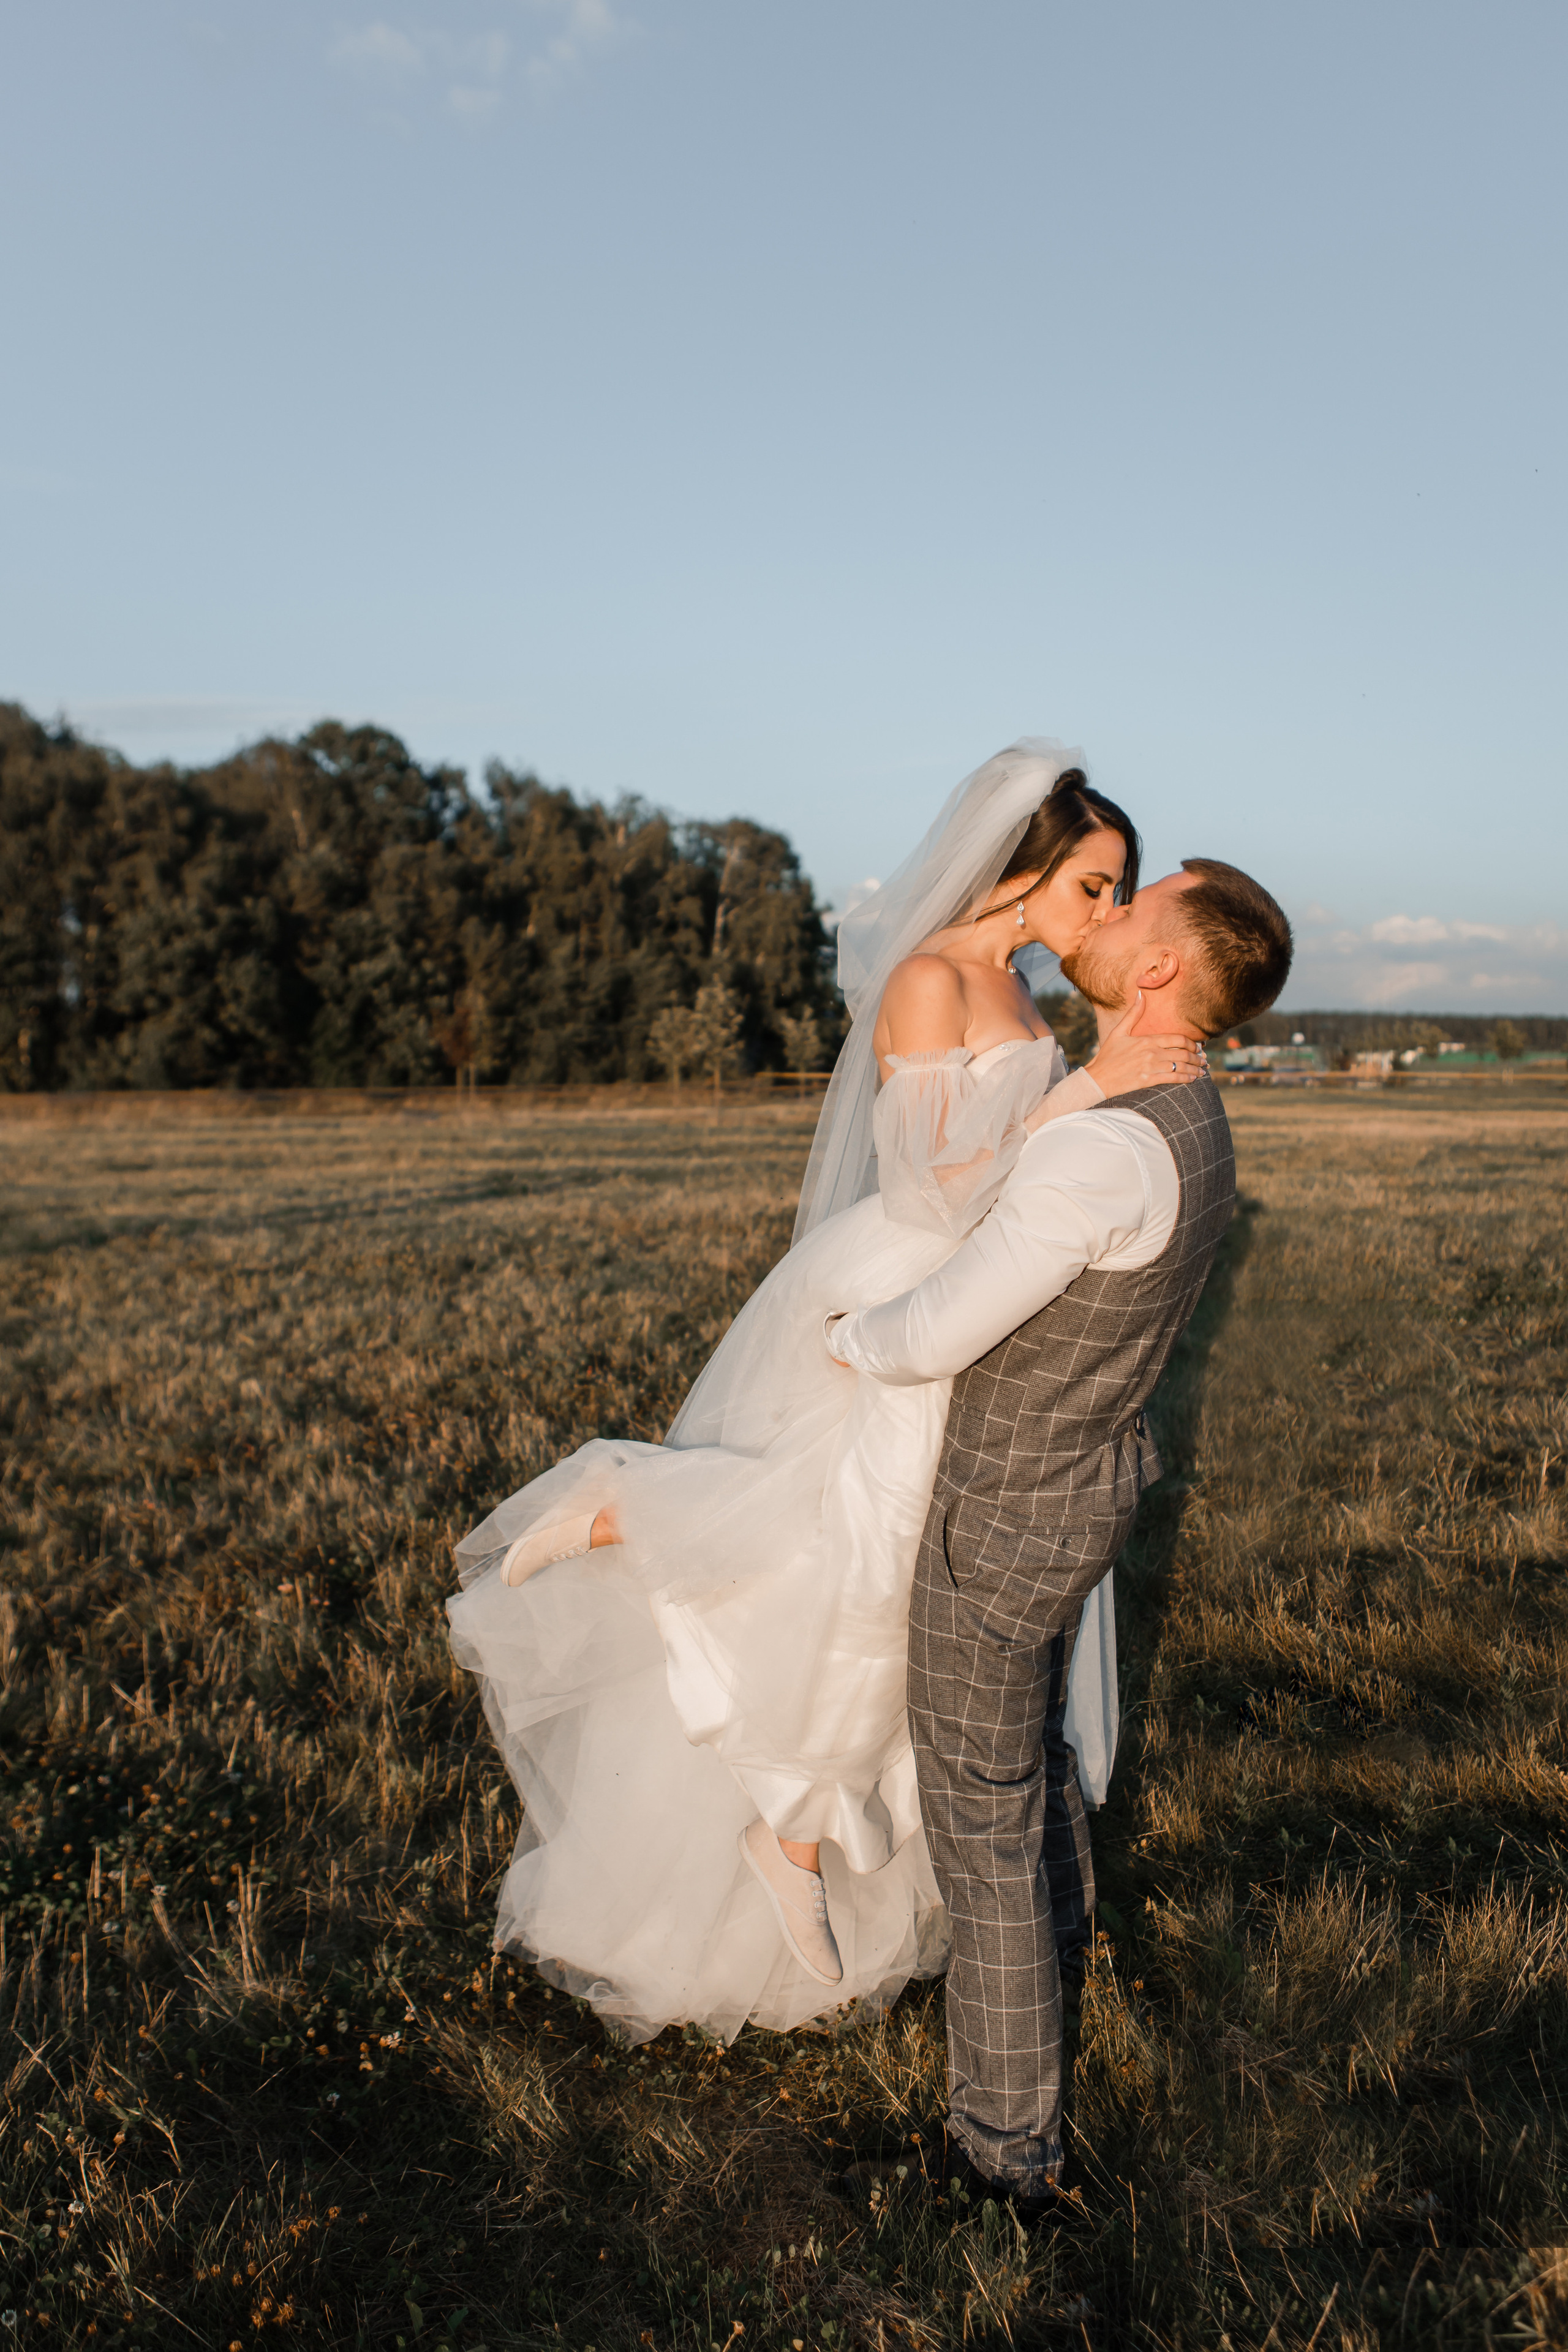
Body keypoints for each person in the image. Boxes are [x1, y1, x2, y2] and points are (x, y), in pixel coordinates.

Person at [446, 742, 1202, 2045]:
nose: (1101, 914)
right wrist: (1086, 1094)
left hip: (961, 1296)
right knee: (870, 1566)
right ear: (1023, 872)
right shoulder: (928, 981)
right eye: (1092, 885)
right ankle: (760, 1772)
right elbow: (931, 1185)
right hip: (900, 1284)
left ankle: (778, 1807)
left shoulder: (1020, 994)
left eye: (1116, 890)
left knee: (873, 1561)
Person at [825, 854, 1292, 2216]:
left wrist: (848, 1337)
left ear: (1156, 971)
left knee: (978, 1817)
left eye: (1128, 910)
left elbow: (942, 1328)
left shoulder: (1099, 1152)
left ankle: (1000, 2154)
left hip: (1008, 1508)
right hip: (1081, 1485)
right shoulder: (1185, 1114)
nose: (1102, 917)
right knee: (1023, 1762)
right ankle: (1062, 1961)